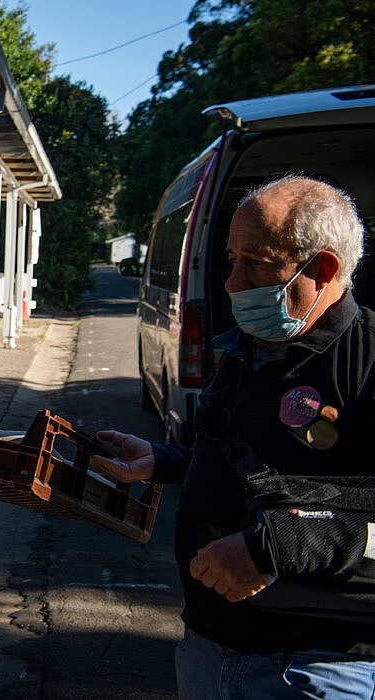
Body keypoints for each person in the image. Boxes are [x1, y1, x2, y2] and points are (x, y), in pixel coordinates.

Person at [92, 175, 375, 698]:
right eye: (232, 258)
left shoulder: (367, 363)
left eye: (257, 263)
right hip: (208, 646)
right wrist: (166, 460)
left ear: (325, 268)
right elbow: (256, 462)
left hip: (315, 667)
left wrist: (276, 547)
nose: (231, 283)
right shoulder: (250, 350)